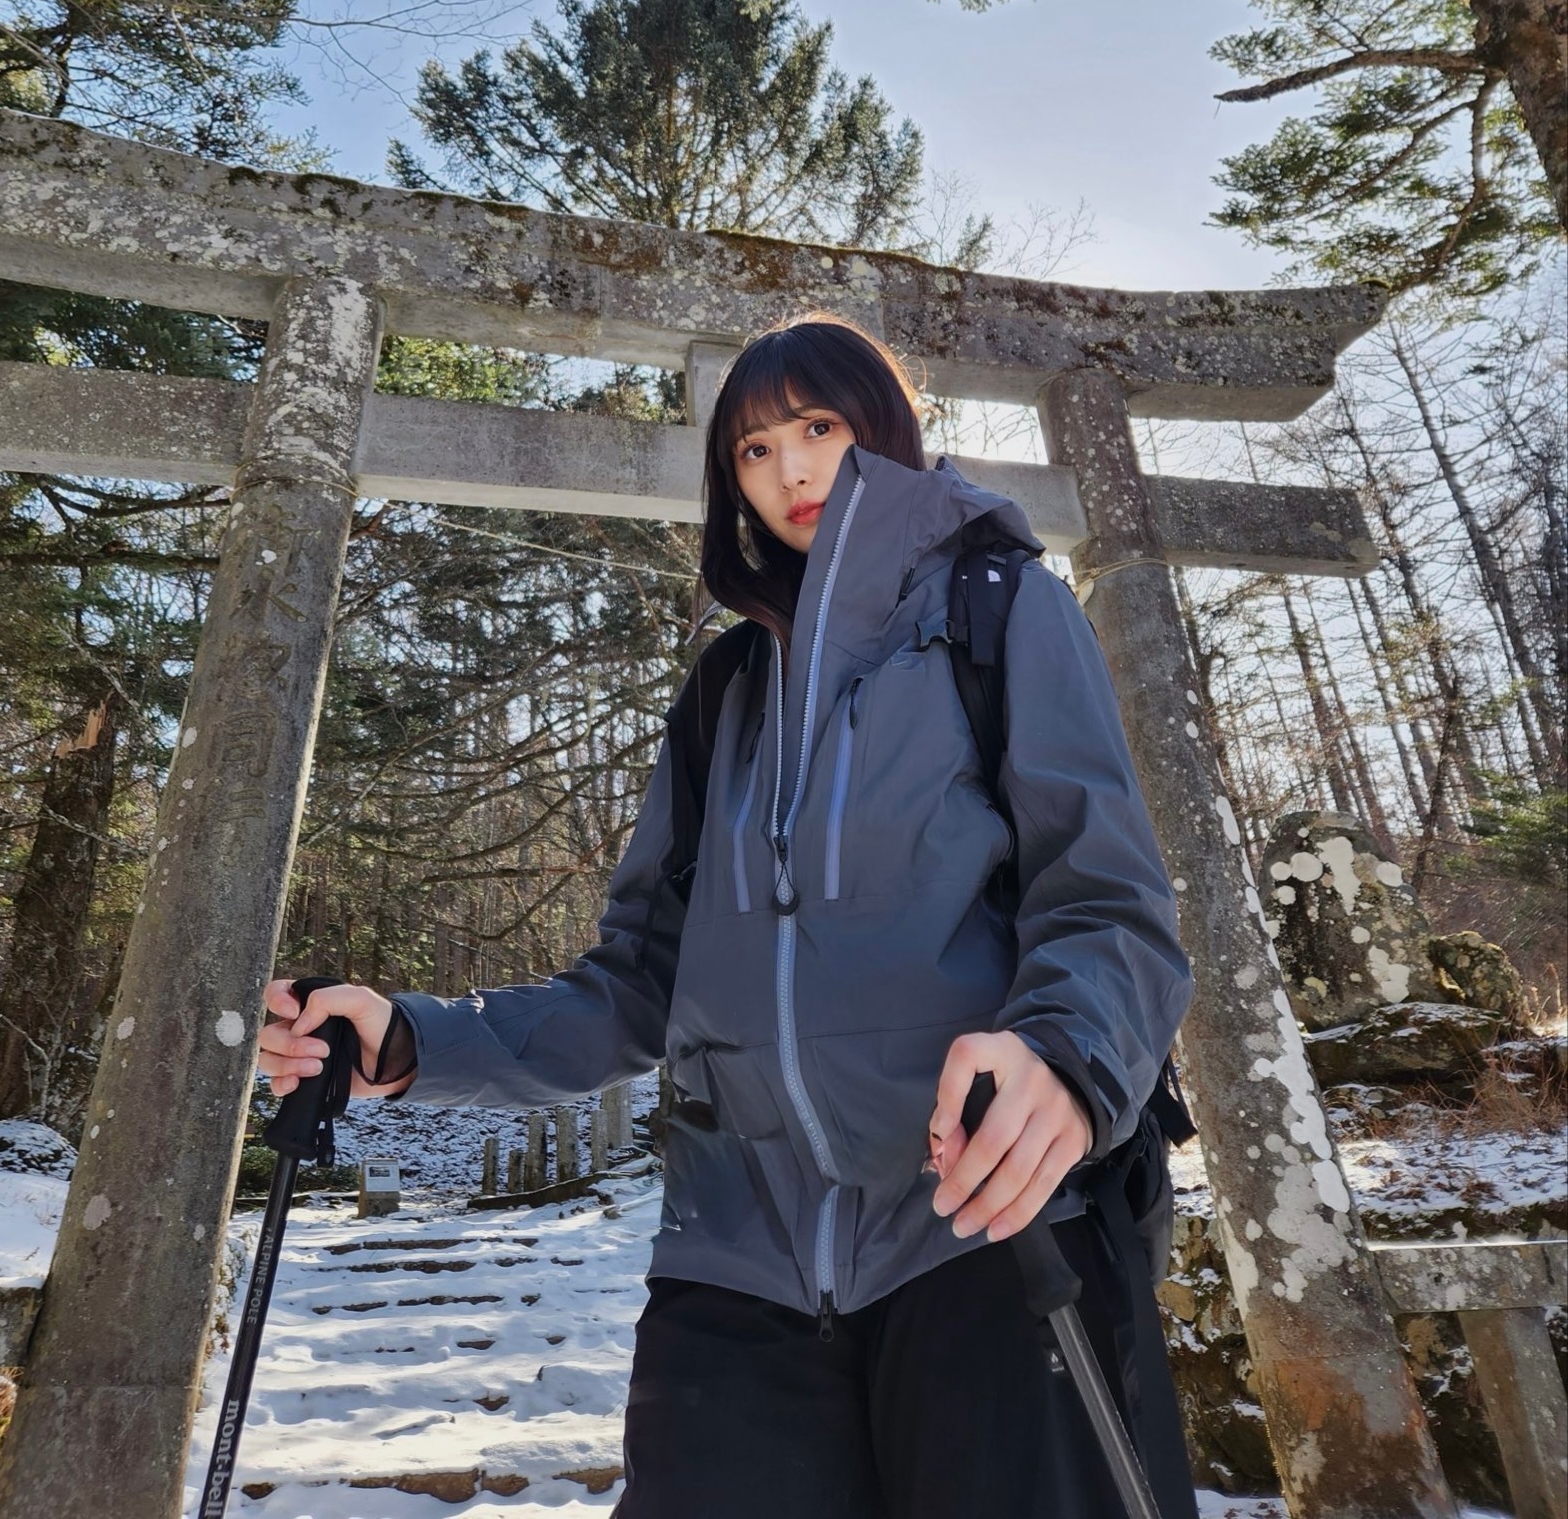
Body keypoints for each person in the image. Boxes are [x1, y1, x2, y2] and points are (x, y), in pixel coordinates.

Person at [259, 310, 1197, 1518]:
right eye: (753, 448)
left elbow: (1108, 898)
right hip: (734, 1256)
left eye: (816, 426)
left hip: (983, 1224)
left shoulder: (1001, 608)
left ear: (882, 426)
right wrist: (411, 1039)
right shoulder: (723, 692)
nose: (789, 469)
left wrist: (1066, 1058)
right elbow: (640, 981)